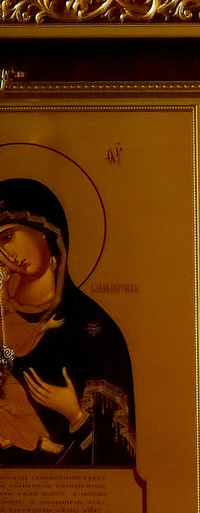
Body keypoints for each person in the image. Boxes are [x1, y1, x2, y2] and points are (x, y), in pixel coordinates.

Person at [0, 178, 135, 467]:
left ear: (46, 230)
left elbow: (119, 457)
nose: (6, 255)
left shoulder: (95, 332)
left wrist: (75, 415)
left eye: (7, 237)